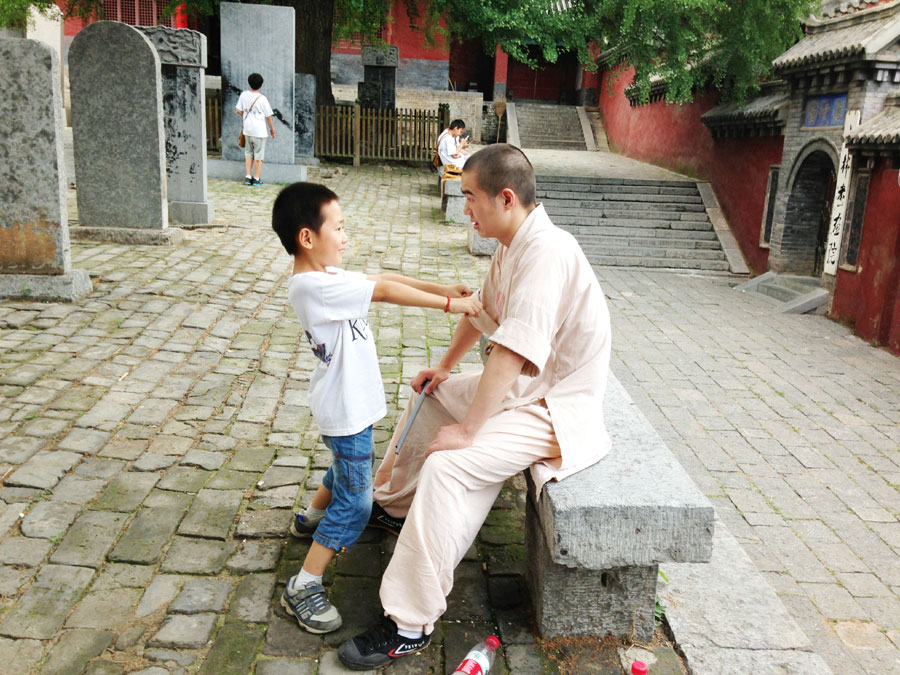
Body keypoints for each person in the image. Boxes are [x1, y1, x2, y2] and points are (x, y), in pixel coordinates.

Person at [337, 144, 613, 670]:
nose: (464, 209)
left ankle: (409, 624)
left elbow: (512, 350)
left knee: (449, 465)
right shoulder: (512, 243)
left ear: (505, 198)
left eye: (470, 198)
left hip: (556, 405)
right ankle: (394, 505)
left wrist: (469, 430)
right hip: (523, 386)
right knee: (428, 395)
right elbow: (480, 312)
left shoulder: (547, 251)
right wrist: (443, 368)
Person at [270, 181, 482, 636]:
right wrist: (452, 304)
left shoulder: (324, 277)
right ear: (308, 237)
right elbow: (384, 291)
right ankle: (303, 585)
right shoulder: (311, 287)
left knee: (351, 468)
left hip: (349, 408)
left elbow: (382, 279)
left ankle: (310, 518)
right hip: (345, 410)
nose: (346, 237)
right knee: (357, 500)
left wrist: (440, 285)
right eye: (340, 228)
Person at [236, 72, 275, 186]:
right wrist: (272, 129)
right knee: (259, 155)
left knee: (248, 153)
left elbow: (238, 110)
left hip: (247, 130)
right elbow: (268, 116)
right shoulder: (263, 99)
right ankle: (256, 178)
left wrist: (246, 115)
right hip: (259, 131)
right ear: (261, 85)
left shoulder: (243, 95)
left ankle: (248, 177)